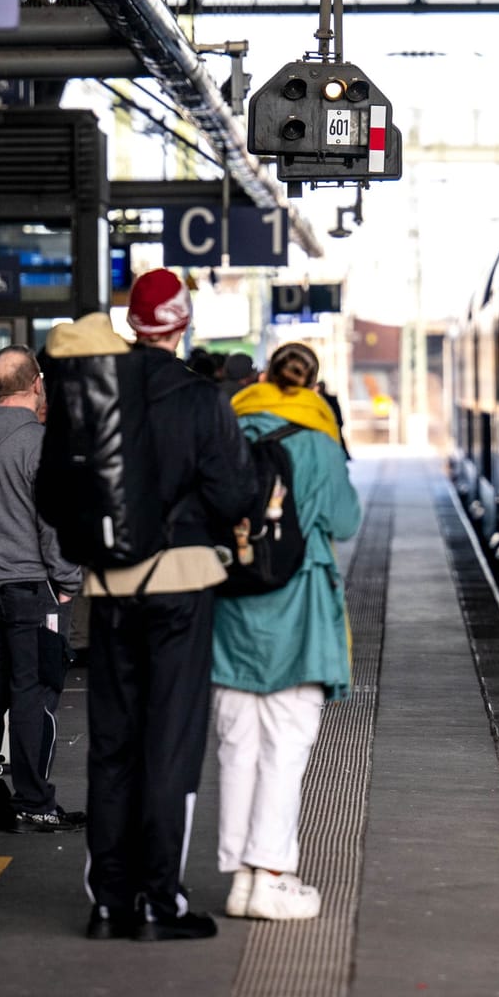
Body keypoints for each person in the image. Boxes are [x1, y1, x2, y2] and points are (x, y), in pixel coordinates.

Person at [54, 270, 260, 941]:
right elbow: (236, 497)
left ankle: (108, 902)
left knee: (113, 743)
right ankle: (157, 901)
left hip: (111, 591)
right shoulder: (202, 399)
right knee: (168, 744)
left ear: (133, 322)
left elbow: (52, 493)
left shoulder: (97, 389)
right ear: (181, 322)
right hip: (181, 589)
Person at [214, 342, 361, 920]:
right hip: (297, 611)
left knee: (236, 745)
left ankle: (243, 877)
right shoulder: (318, 440)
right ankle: (273, 875)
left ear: (262, 377)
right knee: (286, 745)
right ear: (311, 385)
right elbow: (346, 522)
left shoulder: (228, 431)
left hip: (231, 607)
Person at [0, 346, 84, 834]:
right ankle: (33, 802)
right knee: (34, 693)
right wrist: (67, 584)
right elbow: (53, 523)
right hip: (33, 589)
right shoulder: (38, 444)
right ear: (36, 383)